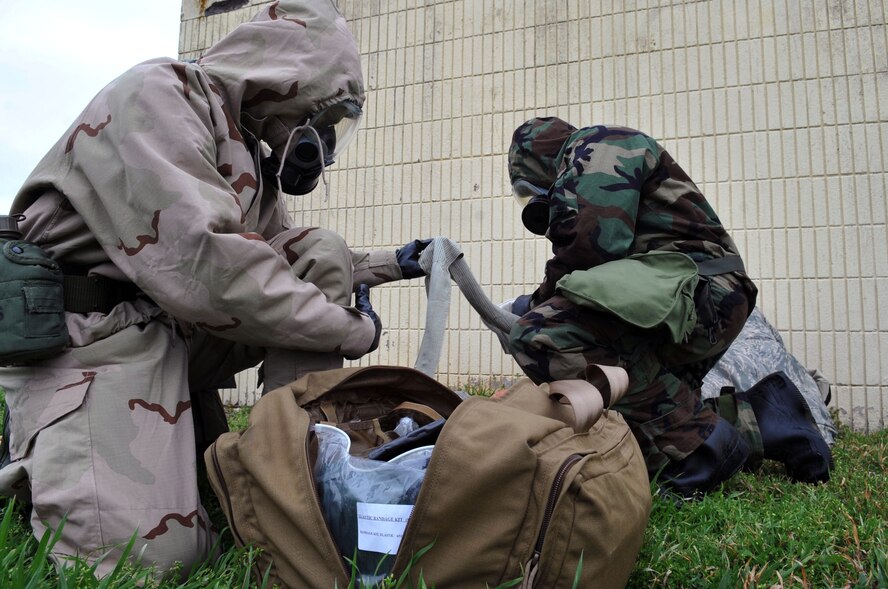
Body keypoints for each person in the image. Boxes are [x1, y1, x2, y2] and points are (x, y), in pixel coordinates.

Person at [0, 0, 427, 576]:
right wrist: (354, 330)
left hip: (168, 329)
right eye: (319, 116)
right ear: (282, 77)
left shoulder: (247, 145)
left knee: (318, 249)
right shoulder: (158, 96)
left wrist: (389, 264)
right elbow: (214, 271)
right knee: (148, 563)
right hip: (92, 338)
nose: (321, 140)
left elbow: (273, 259)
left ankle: (296, 468)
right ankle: (33, 457)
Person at [505, 117, 832, 497]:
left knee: (540, 334)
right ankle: (771, 417)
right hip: (693, 296)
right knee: (653, 399)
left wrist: (536, 304)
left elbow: (591, 245)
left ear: (542, 161)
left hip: (698, 294)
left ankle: (699, 455)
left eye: (530, 189)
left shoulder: (596, 145)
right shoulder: (590, 156)